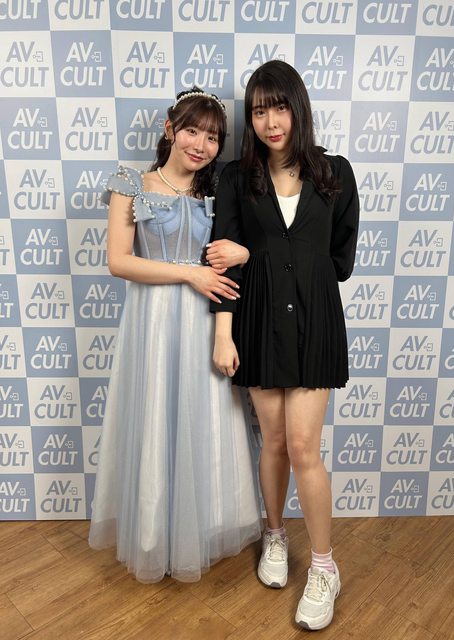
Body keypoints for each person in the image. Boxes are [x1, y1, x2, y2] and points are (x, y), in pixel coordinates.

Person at [89, 87, 262, 583]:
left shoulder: (218, 195)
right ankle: (152, 536)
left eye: (212, 137)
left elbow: (245, 251)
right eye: (191, 131)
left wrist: (241, 257)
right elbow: (119, 261)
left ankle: (198, 532)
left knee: (204, 423)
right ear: (169, 129)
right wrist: (190, 274)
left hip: (205, 323)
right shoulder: (131, 184)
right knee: (156, 420)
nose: (201, 145)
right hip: (153, 326)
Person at [209, 61, 359, 630]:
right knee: (272, 441)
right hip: (257, 323)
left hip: (316, 324)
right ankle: (274, 535)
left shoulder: (335, 173)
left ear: (298, 108)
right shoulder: (236, 178)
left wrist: (258, 254)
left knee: (303, 447)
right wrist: (224, 333)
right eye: (259, 111)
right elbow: (222, 260)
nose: (271, 122)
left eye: (279, 107)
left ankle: (323, 567)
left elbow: (336, 262)